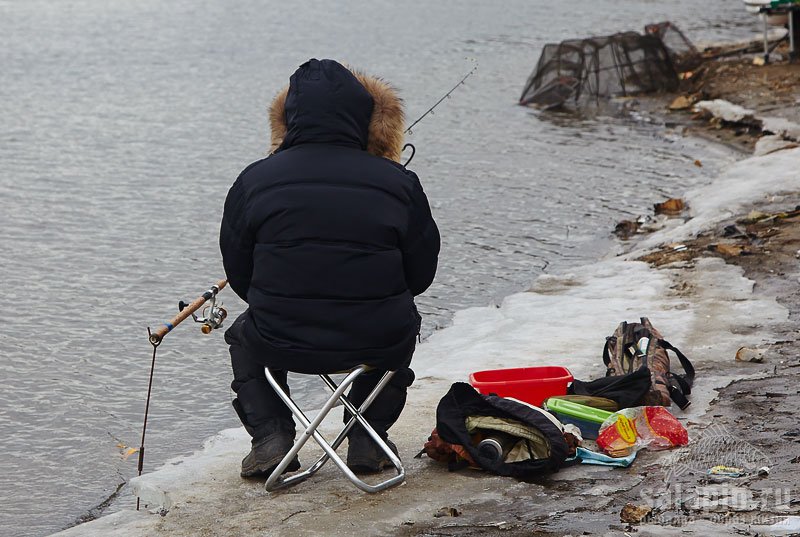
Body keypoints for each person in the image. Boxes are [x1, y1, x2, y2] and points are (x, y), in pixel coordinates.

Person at [219, 59, 440, 478]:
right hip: (374, 339)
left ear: (288, 118)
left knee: (243, 336)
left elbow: (239, 273)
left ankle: (272, 437)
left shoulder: (253, 181)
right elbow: (421, 276)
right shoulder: (399, 183)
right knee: (402, 321)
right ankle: (365, 438)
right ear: (364, 117)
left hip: (279, 338)